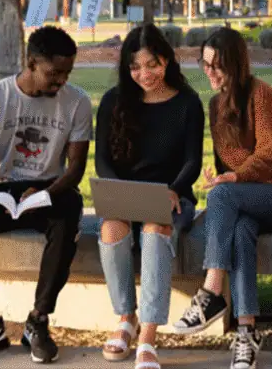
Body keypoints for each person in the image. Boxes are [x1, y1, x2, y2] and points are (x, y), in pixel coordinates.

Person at [0, 26, 92, 364]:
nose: (61, 81)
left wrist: (45, 193)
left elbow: (75, 169)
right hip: (2, 190)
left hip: (52, 189)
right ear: (31, 62)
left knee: (67, 219)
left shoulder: (77, 102)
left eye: (67, 73)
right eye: (54, 73)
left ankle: (38, 321)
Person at [172, 28, 272, 369]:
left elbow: (269, 154)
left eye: (217, 66)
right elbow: (227, 162)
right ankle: (246, 331)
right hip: (244, 198)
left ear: (236, 64)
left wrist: (233, 179)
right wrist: (223, 178)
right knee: (241, 230)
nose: (210, 72)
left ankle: (211, 291)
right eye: (205, 64)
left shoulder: (261, 94)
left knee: (223, 196)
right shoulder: (216, 104)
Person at [96, 25, 204, 367]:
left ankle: (148, 335)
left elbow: (193, 161)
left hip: (172, 196)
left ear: (166, 60)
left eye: (152, 65)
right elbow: (102, 161)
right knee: (111, 228)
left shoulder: (187, 102)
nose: (144, 74)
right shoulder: (113, 101)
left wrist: (174, 190)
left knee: (156, 230)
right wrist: (117, 193)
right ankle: (126, 318)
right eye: (135, 67)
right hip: (126, 197)